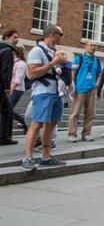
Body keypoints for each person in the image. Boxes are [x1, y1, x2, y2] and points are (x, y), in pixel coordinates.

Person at [20, 25, 67, 170]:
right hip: (42, 92)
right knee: (37, 124)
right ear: (53, 34)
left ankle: (46, 156)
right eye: (61, 34)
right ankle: (27, 158)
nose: (61, 37)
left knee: (51, 125)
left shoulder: (53, 51)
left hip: (56, 92)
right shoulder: (37, 50)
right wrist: (54, 63)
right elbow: (32, 73)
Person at [68, 41, 101, 142]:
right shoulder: (79, 59)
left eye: (95, 46)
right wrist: (72, 87)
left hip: (92, 90)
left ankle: (86, 133)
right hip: (80, 89)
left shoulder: (97, 61)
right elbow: (73, 73)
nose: (93, 47)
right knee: (75, 112)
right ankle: (72, 134)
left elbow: (99, 73)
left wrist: (97, 83)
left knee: (90, 113)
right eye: (91, 45)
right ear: (86, 46)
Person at [0, 30, 18, 145]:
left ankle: (4, 137)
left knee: (7, 111)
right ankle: (4, 137)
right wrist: (7, 86)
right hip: (1, 86)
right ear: (7, 37)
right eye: (14, 37)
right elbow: (6, 70)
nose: (17, 40)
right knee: (7, 111)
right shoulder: (8, 50)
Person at [10, 46, 28, 134]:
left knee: (8, 109)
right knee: (6, 109)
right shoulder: (14, 63)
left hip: (17, 89)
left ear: (14, 53)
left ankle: (25, 123)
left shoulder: (21, 64)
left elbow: (18, 79)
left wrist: (11, 89)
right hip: (13, 88)